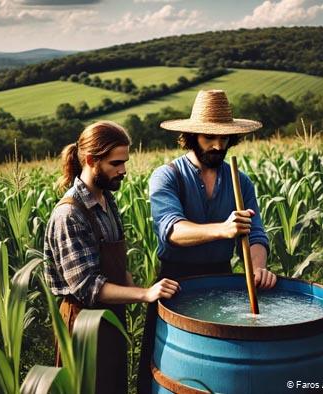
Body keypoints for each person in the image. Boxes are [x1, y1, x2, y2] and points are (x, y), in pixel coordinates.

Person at [137, 90, 278, 393]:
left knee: (222, 370)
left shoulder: (241, 181)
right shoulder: (168, 176)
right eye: (208, 137)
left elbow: (255, 233)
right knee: (167, 373)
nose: (217, 145)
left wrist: (256, 268)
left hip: (221, 277)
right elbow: (171, 230)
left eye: (223, 139)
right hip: (176, 280)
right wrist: (222, 230)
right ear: (190, 136)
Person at [43, 120, 180, 394]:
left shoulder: (106, 199)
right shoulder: (70, 214)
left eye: (125, 162)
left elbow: (117, 265)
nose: (124, 170)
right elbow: (87, 286)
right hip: (83, 327)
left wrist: (142, 293)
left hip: (110, 318)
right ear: (92, 160)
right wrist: (144, 295)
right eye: (116, 163)